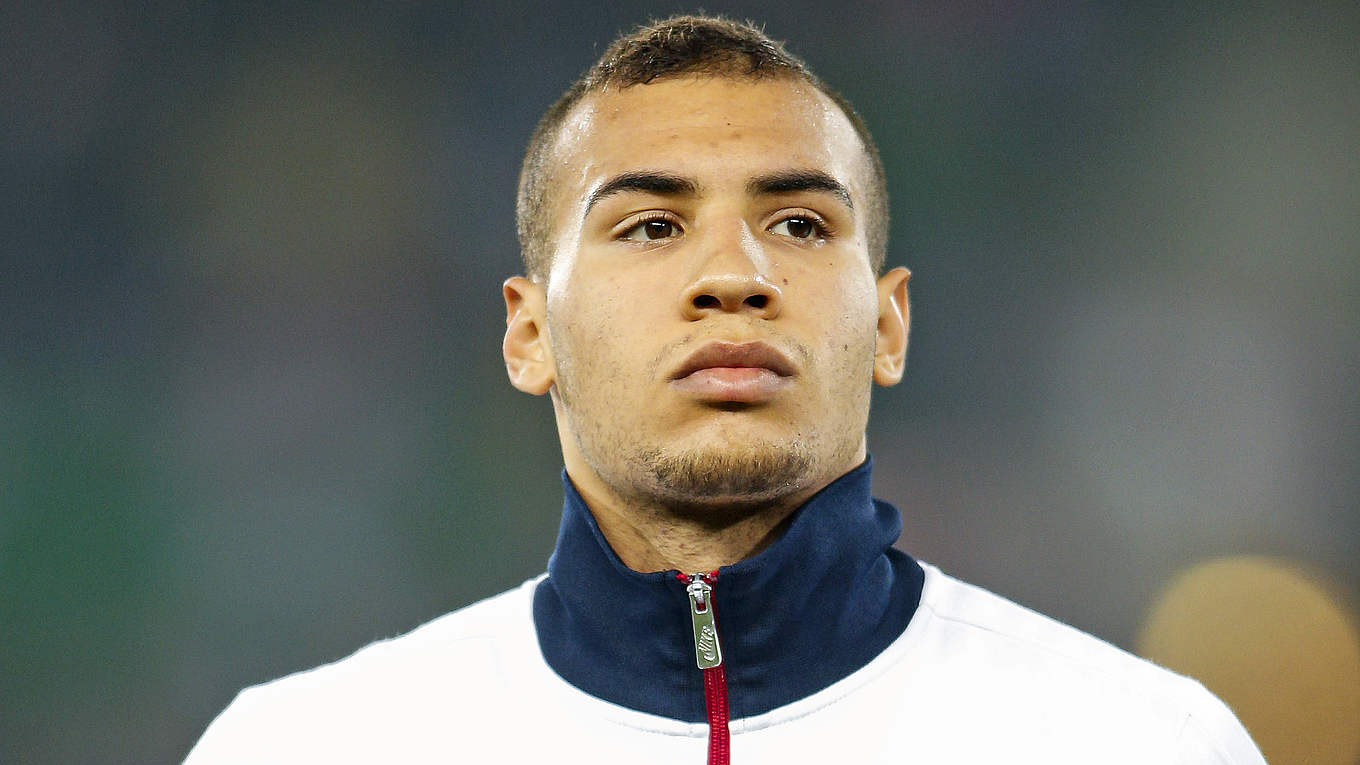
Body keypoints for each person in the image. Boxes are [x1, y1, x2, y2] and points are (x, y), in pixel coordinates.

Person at [188, 15, 1265, 764]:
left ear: (889, 324)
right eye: (651, 225)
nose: (734, 276)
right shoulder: (300, 748)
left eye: (798, 223)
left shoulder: (1144, 745)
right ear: (529, 333)